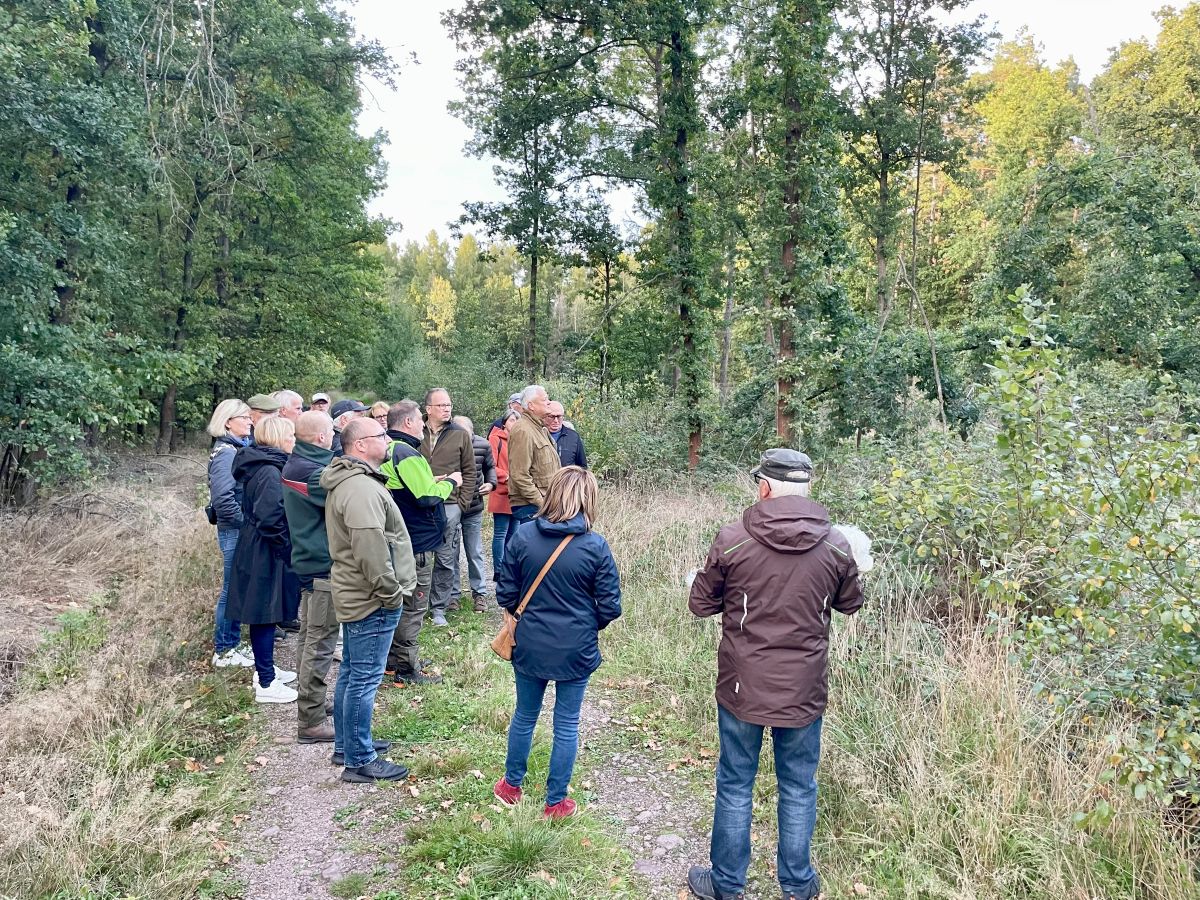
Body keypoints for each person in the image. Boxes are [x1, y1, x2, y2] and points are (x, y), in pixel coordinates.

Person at [685, 449, 865, 900]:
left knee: (735, 783)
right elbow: (850, 603)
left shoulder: (733, 539)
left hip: (743, 685)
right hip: (803, 687)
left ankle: (726, 885)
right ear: (807, 490)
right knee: (799, 786)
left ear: (764, 488)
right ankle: (797, 886)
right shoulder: (836, 545)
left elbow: (701, 604)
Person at [493, 466, 622, 819]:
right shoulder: (595, 545)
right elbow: (610, 606)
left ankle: (511, 786)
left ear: (551, 493)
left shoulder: (522, 536)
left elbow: (505, 591)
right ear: (587, 499)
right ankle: (555, 803)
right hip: (575, 648)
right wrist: (585, 625)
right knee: (566, 723)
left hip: (530, 643)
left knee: (525, 715)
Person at [321, 417, 416, 783]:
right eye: (380, 435)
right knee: (364, 677)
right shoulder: (360, 488)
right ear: (359, 445)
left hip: (358, 591)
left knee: (351, 672)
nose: (387, 439)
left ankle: (348, 745)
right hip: (370, 596)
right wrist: (390, 592)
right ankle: (360, 759)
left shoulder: (354, 481)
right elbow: (370, 548)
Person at [380, 400, 459, 686]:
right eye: (419, 419)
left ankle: (392, 660)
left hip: (400, 537)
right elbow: (426, 497)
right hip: (417, 542)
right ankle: (406, 668)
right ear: (408, 423)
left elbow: (408, 486)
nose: (424, 424)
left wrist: (431, 478)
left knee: (399, 600)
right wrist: (451, 482)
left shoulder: (388, 449)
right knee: (414, 605)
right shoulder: (406, 452)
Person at [226, 416, 301, 703]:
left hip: (258, 544)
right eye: (290, 435)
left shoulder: (263, 464)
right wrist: (286, 548)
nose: (293, 440)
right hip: (263, 549)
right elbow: (270, 517)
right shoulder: (269, 470)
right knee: (264, 613)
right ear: (279, 437)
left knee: (266, 613)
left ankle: (265, 669)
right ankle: (266, 684)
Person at [282, 410, 338, 742]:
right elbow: (341, 496)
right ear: (320, 437)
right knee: (319, 643)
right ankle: (311, 721)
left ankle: (312, 703)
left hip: (310, 561)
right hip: (320, 565)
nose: (333, 436)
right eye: (330, 432)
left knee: (308, 638)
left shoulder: (301, 463)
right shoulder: (311, 472)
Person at [419, 388, 476, 625]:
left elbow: (470, 471)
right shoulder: (414, 432)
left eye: (449, 405)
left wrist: (462, 504)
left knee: (445, 557)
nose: (447, 409)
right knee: (419, 558)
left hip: (450, 504)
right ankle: (417, 606)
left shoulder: (460, 434)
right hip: (420, 503)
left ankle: (439, 607)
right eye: (441, 405)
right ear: (428, 409)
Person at [206, 399, 254, 668]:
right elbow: (223, 497)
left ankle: (232, 643)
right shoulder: (226, 452)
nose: (250, 421)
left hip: (236, 528)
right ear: (227, 422)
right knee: (231, 589)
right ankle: (224, 650)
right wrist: (244, 523)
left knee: (236, 587)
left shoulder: (234, 448)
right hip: (234, 530)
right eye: (244, 417)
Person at [451, 415, 497, 611]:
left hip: (474, 506)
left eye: (466, 435)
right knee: (450, 553)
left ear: (472, 432)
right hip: (450, 505)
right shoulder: (446, 445)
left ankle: (480, 594)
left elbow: (490, 467)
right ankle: (452, 596)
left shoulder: (483, 445)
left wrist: (491, 483)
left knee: (474, 551)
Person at [506, 384, 560, 536]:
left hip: (542, 504)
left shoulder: (541, 429)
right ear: (531, 406)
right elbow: (519, 474)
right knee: (533, 556)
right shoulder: (523, 430)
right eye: (544, 399)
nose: (548, 402)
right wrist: (542, 503)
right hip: (531, 507)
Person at [487, 409, 518, 576]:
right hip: (501, 491)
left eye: (517, 420)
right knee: (501, 533)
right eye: (512, 420)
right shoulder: (495, 438)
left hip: (517, 493)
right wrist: (506, 476)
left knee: (514, 533)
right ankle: (498, 570)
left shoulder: (519, 440)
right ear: (504, 422)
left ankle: (509, 568)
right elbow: (490, 464)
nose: (515, 423)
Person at [545, 401, 588, 468]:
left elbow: (582, 466)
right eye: (552, 416)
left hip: (568, 477)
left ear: (563, 417)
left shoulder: (573, 437)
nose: (556, 420)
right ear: (544, 417)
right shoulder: (538, 435)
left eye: (559, 416)